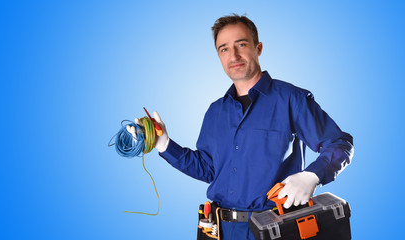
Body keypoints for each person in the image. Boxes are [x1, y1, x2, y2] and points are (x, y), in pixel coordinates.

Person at [128, 14, 354, 240]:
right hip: (218, 230)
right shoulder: (216, 112)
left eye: (241, 44)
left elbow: (339, 144)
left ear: (258, 48)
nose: (233, 55)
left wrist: (312, 175)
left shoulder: (291, 99)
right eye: (224, 49)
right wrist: (165, 145)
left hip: (274, 229)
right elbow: (209, 169)